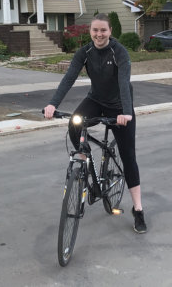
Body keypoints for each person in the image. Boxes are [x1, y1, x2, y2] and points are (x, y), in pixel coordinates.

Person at [44, 13, 147, 234]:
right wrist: (52, 104)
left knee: (128, 156)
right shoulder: (85, 52)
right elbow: (69, 77)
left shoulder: (119, 51)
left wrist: (126, 113)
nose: (99, 34)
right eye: (95, 30)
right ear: (90, 32)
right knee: (74, 123)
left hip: (120, 106)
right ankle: (84, 157)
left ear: (110, 32)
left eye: (103, 30)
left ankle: (138, 209)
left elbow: (123, 82)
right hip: (96, 100)